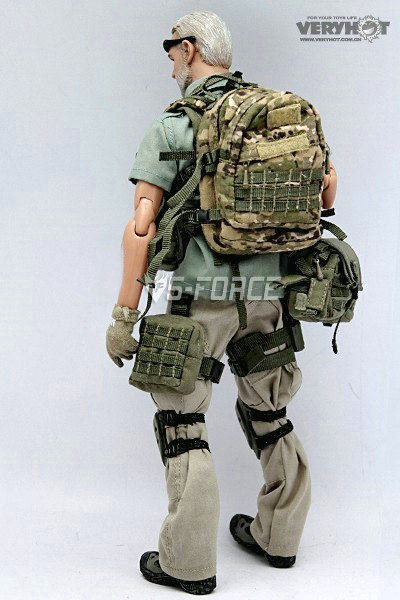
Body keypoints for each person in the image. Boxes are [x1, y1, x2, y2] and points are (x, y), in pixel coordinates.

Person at [106, 11, 337, 595]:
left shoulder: (174, 125)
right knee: (270, 415)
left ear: (189, 50)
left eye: (171, 52)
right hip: (268, 296)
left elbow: (140, 227)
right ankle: (279, 538)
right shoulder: (280, 115)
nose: (170, 64)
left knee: (183, 424)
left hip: (198, 300)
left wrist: (124, 316)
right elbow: (327, 188)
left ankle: (188, 564)